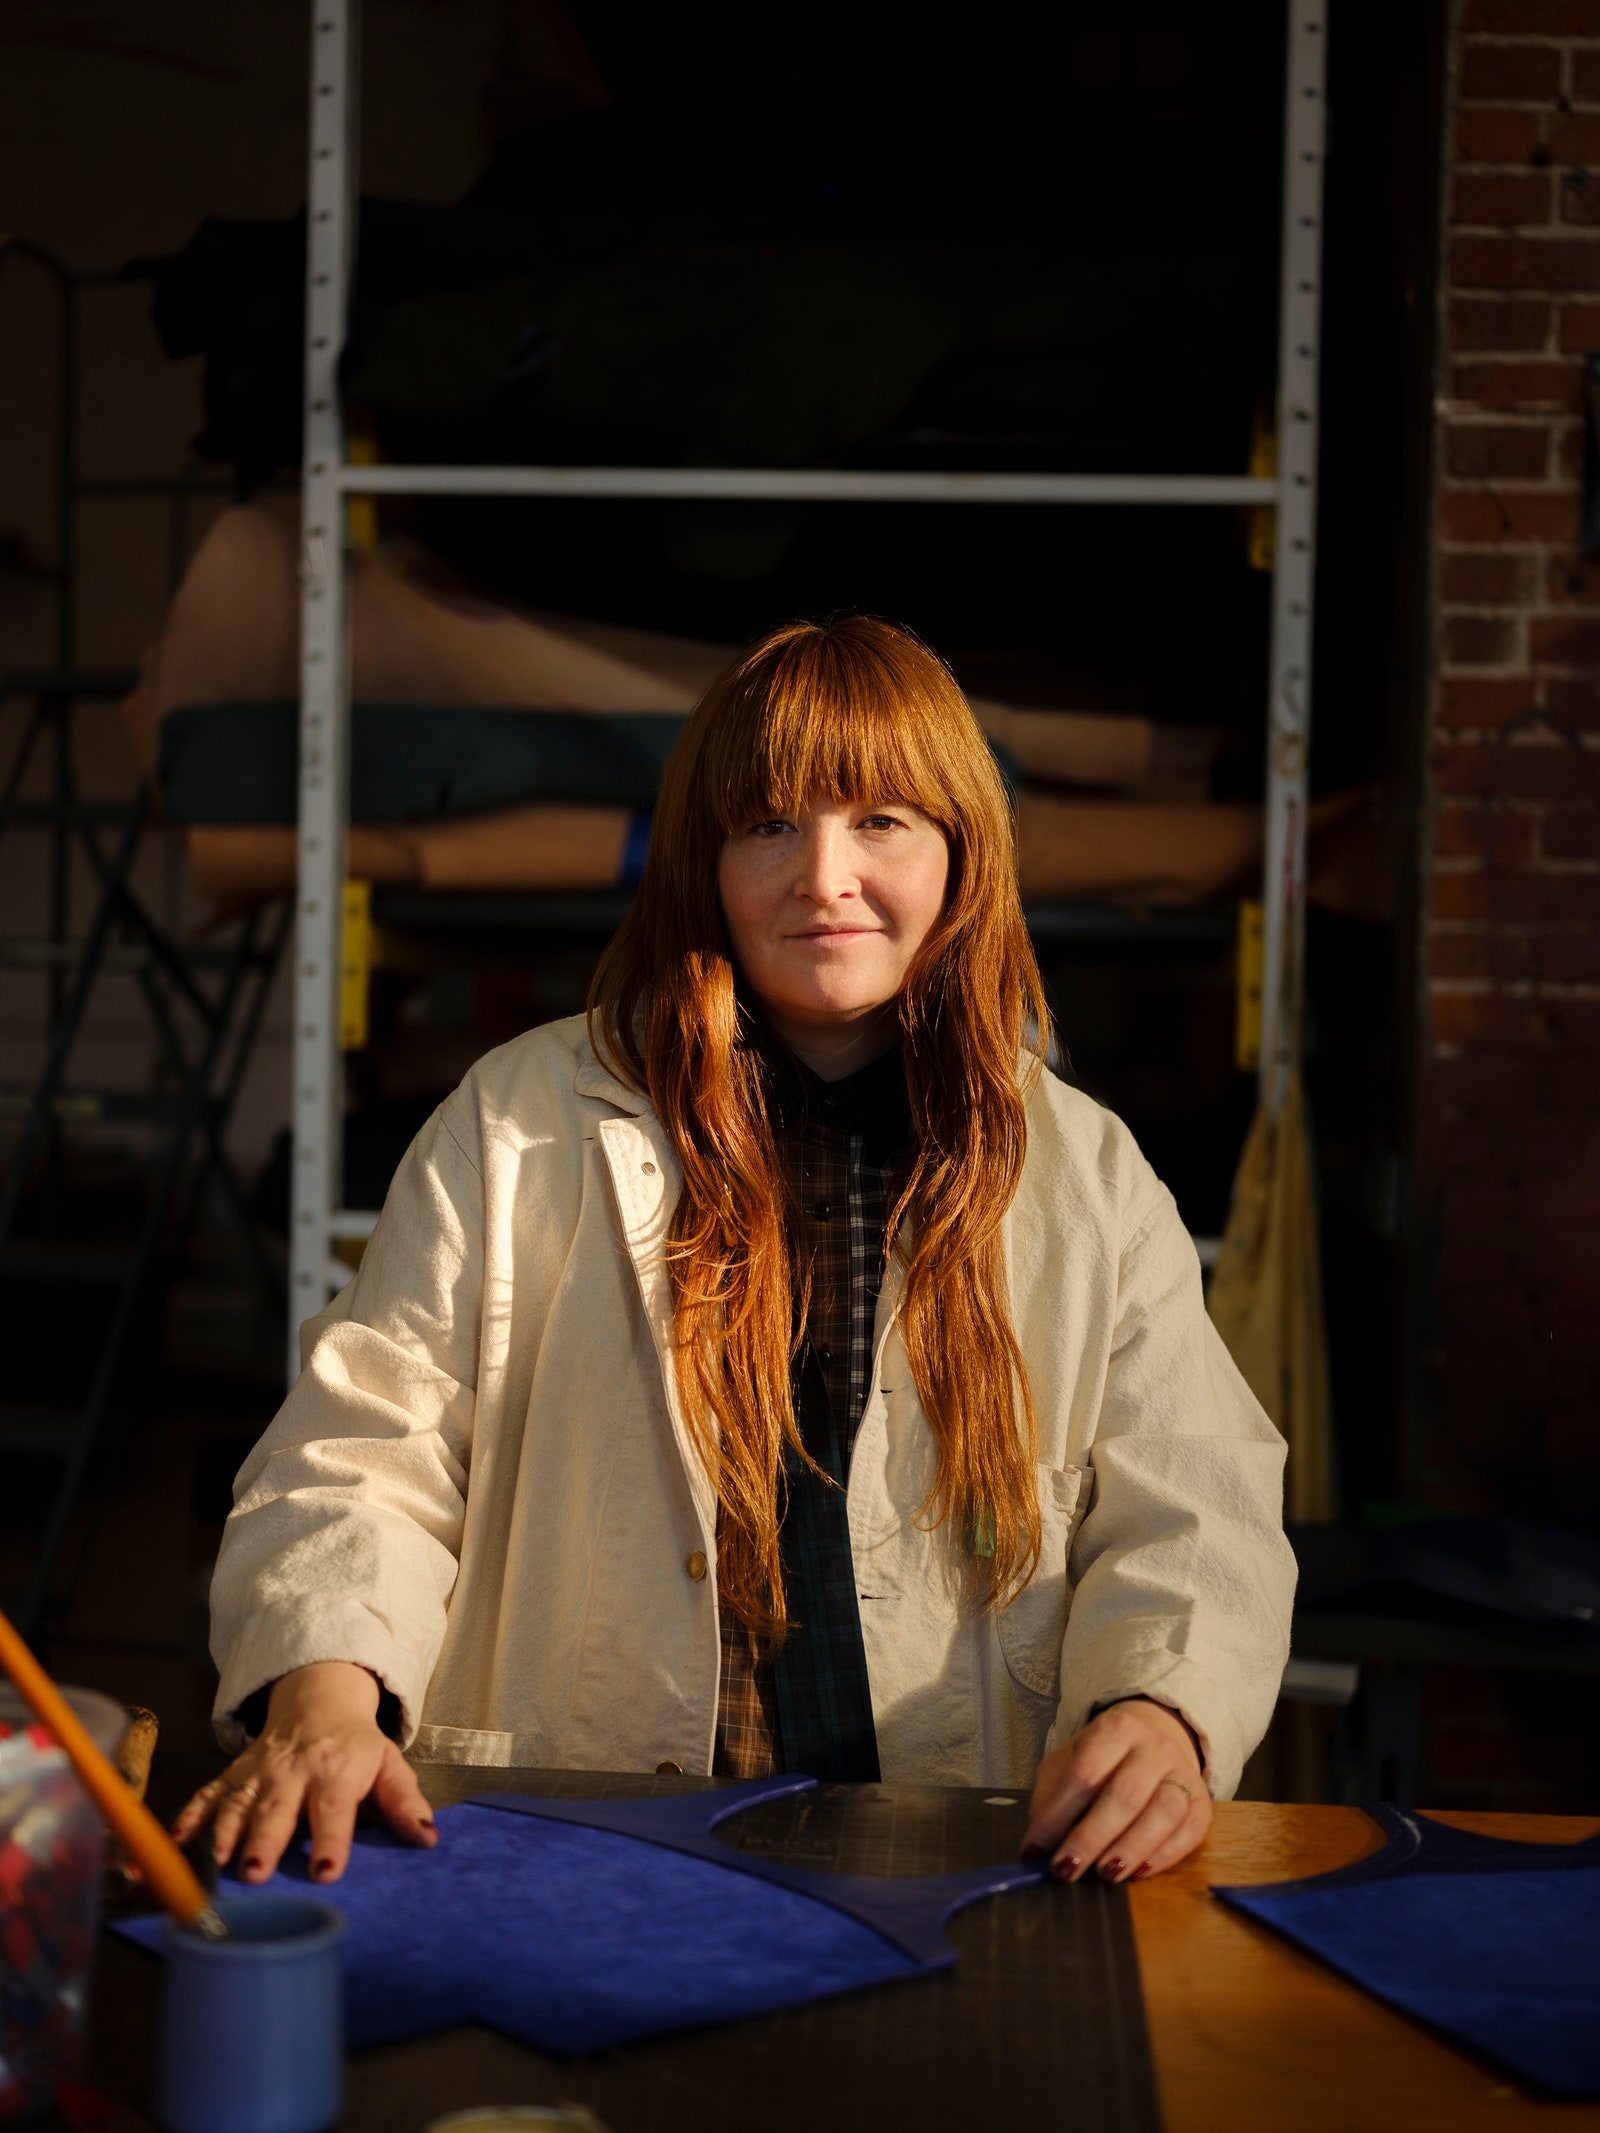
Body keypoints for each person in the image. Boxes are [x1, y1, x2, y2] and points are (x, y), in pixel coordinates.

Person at [178, 615, 1295, 1893]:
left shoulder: (1083, 1171)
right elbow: (362, 1457)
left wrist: (1158, 1712)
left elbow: (1194, 1506)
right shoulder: (520, 1121)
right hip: (572, 1837)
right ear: (700, 860)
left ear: (961, 854)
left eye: (881, 819)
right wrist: (326, 1699)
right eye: (769, 824)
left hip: (941, 1859)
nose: (824, 874)